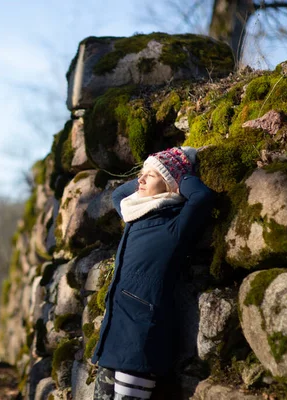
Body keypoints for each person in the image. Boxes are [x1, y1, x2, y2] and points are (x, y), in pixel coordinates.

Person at [92, 147, 214, 400]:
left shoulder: (174, 224)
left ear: (171, 185)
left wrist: (182, 176)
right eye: (141, 174)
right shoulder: (136, 213)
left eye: (151, 176)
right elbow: (119, 193)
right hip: (114, 332)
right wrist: (154, 169)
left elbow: (201, 197)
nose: (141, 180)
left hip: (141, 337)